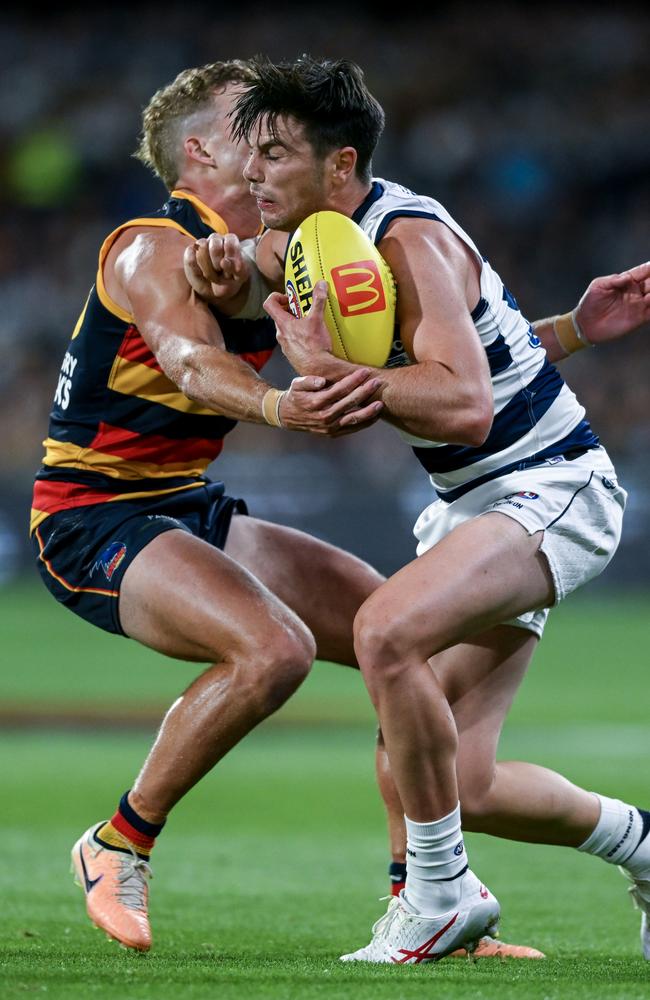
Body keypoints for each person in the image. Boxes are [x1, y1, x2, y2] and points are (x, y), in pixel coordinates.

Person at [183, 54, 650, 964]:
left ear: (343, 164)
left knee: (383, 632)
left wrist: (329, 371)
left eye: (275, 154)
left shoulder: (407, 238)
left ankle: (437, 900)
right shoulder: (308, 240)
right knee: (445, 774)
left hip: (550, 488)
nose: (254, 176)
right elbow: (491, 356)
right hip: (477, 503)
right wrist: (572, 330)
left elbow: (464, 405)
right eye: (252, 155)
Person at [30, 59, 391, 954]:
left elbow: (438, 351)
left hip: (187, 505)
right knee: (274, 650)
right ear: (199, 151)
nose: (273, 138)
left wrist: (570, 331)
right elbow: (190, 364)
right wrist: (280, 404)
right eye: (251, 125)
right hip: (94, 516)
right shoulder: (150, 244)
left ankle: (428, 899)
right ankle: (118, 842)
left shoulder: (282, 255)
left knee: (402, 635)